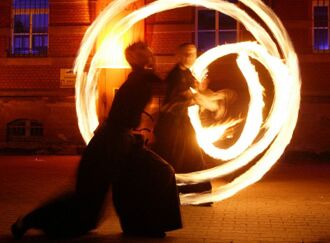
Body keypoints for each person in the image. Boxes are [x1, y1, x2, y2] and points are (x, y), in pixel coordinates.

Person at [11, 41, 182, 239]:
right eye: (144, 51)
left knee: (157, 172)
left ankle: (141, 224)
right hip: (110, 143)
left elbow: (156, 92)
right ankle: (28, 221)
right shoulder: (141, 78)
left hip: (120, 140)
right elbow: (166, 87)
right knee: (87, 200)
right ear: (134, 58)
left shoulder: (138, 78)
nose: (150, 53)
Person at [152, 43, 212, 198]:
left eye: (192, 54)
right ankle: (179, 192)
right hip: (172, 124)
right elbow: (180, 100)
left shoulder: (187, 74)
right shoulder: (176, 76)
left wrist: (201, 91)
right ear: (178, 56)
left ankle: (187, 192)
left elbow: (194, 92)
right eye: (185, 54)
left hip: (180, 121)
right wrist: (206, 102)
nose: (189, 57)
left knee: (188, 155)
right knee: (180, 156)